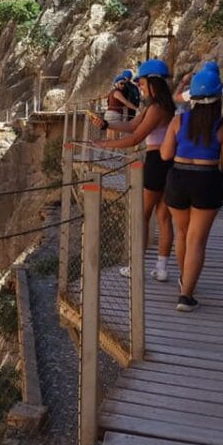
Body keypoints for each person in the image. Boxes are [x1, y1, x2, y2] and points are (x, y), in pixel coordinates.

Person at [88, 58, 176, 281]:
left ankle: (136, 266)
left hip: (157, 162)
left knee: (142, 216)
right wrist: (107, 126)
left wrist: (104, 144)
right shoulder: (161, 106)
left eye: (143, 83)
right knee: (164, 217)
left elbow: (136, 137)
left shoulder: (156, 108)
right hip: (170, 162)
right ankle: (162, 268)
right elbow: (131, 125)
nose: (140, 87)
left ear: (152, 82)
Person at [161, 68, 223, 312]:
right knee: (197, 241)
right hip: (207, 180)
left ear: (192, 96)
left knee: (181, 234)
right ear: (218, 98)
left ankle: (185, 280)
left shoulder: (178, 120)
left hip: (178, 178)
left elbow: (165, 154)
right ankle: (186, 295)